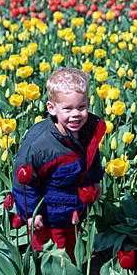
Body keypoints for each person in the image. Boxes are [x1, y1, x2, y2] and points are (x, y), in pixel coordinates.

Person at [12, 67, 106, 264]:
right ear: (51, 108)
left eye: (81, 107)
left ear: (88, 103)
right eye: (68, 109)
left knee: (73, 255)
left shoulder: (87, 131)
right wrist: (31, 214)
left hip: (74, 211)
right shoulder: (38, 146)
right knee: (51, 260)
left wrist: (95, 181)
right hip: (48, 218)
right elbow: (23, 184)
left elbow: (91, 158)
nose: (76, 115)